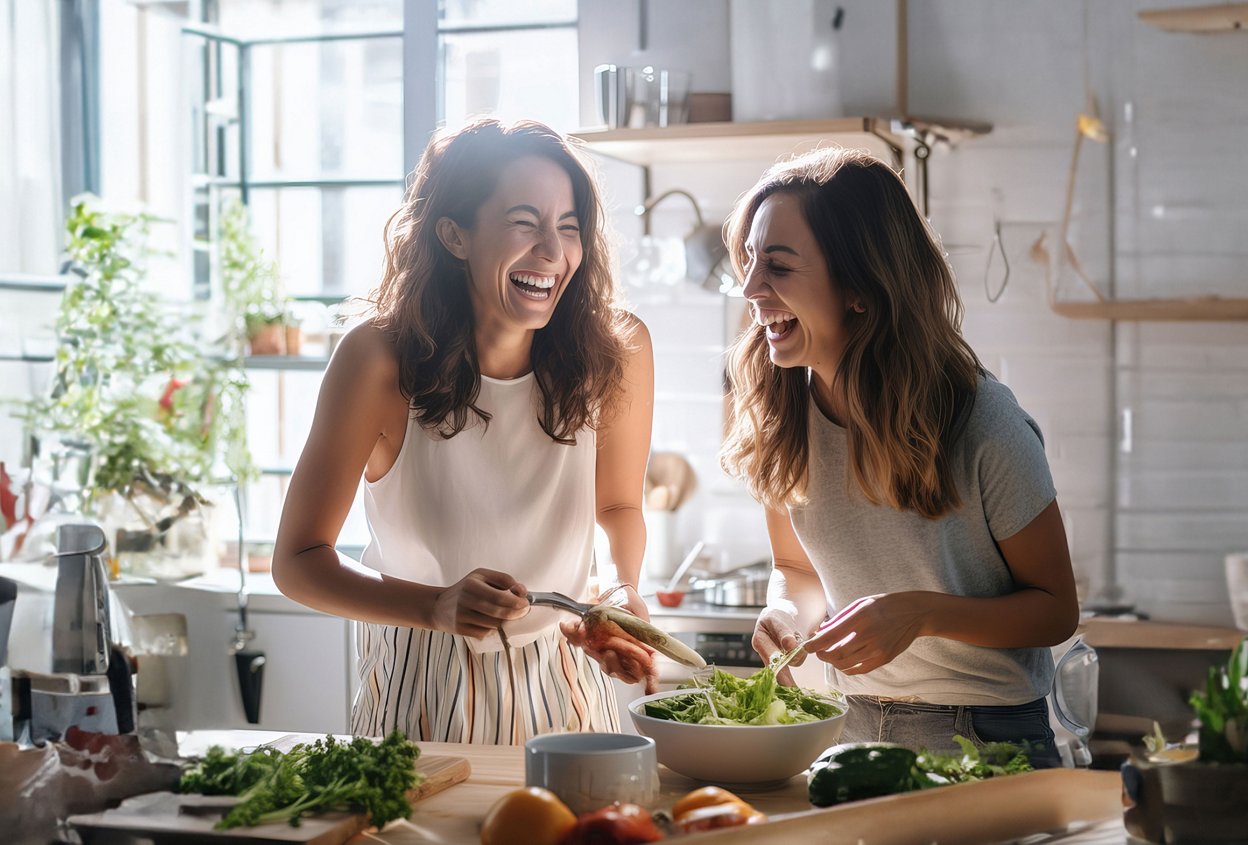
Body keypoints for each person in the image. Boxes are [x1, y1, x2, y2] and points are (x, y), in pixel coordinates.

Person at [271, 118, 655, 744]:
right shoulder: (377, 360)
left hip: (566, 677)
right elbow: (297, 562)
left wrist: (615, 590)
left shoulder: (617, 349)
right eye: (525, 223)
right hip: (424, 678)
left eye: (568, 227)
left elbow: (616, 504)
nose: (553, 254)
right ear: (454, 234)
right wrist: (436, 606)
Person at [721, 147, 1078, 767]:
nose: (750, 288)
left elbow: (1055, 611)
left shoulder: (981, 419)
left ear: (860, 287)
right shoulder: (784, 419)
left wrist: (921, 614)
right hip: (848, 727)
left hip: (987, 738)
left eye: (777, 265)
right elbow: (796, 568)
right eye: (750, 261)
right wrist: (785, 610)